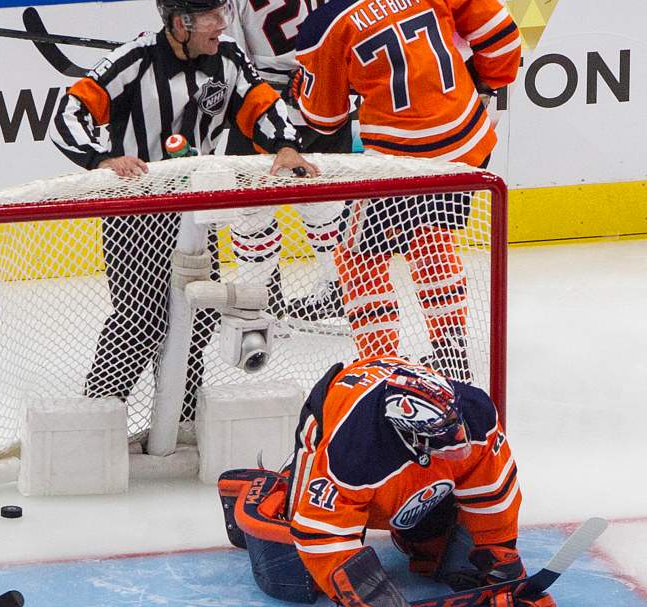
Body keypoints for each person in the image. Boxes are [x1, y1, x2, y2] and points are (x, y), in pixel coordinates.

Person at [50, 0, 318, 426]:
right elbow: (67, 115)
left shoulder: (227, 56)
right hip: (136, 215)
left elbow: (265, 107)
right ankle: (100, 414)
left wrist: (285, 145)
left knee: (198, 313)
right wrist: (102, 159)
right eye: (211, 17)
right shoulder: (134, 60)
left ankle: (180, 414)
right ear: (182, 23)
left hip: (196, 214)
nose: (222, 23)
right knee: (141, 318)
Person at [220, 357, 556, 607]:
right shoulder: (352, 449)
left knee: (439, 542)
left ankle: (413, 535)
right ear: (410, 436)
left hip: (394, 414)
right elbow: (320, 533)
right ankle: (283, 484)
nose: (460, 446)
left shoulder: (476, 411)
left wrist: (499, 557)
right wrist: (363, 601)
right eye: (441, 440)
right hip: (333, 412)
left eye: (457, 431)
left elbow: (493, 489)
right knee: (296, 567)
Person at [291, 0, 522, 380]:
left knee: (357, 257)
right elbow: (502, 38)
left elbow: (326, 119)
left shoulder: (328, 24)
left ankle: (380, 367)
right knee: (430, 232)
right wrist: (481, 85)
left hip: (400, 162)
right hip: (468, 142)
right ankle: (451, 350)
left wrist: (302, 88)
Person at [227, 0, 352, 321]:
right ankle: (339, 294)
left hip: (269, 104)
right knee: (326, 205)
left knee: (250, 210)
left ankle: (261, 304)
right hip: (328, 100)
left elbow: (230, 56)